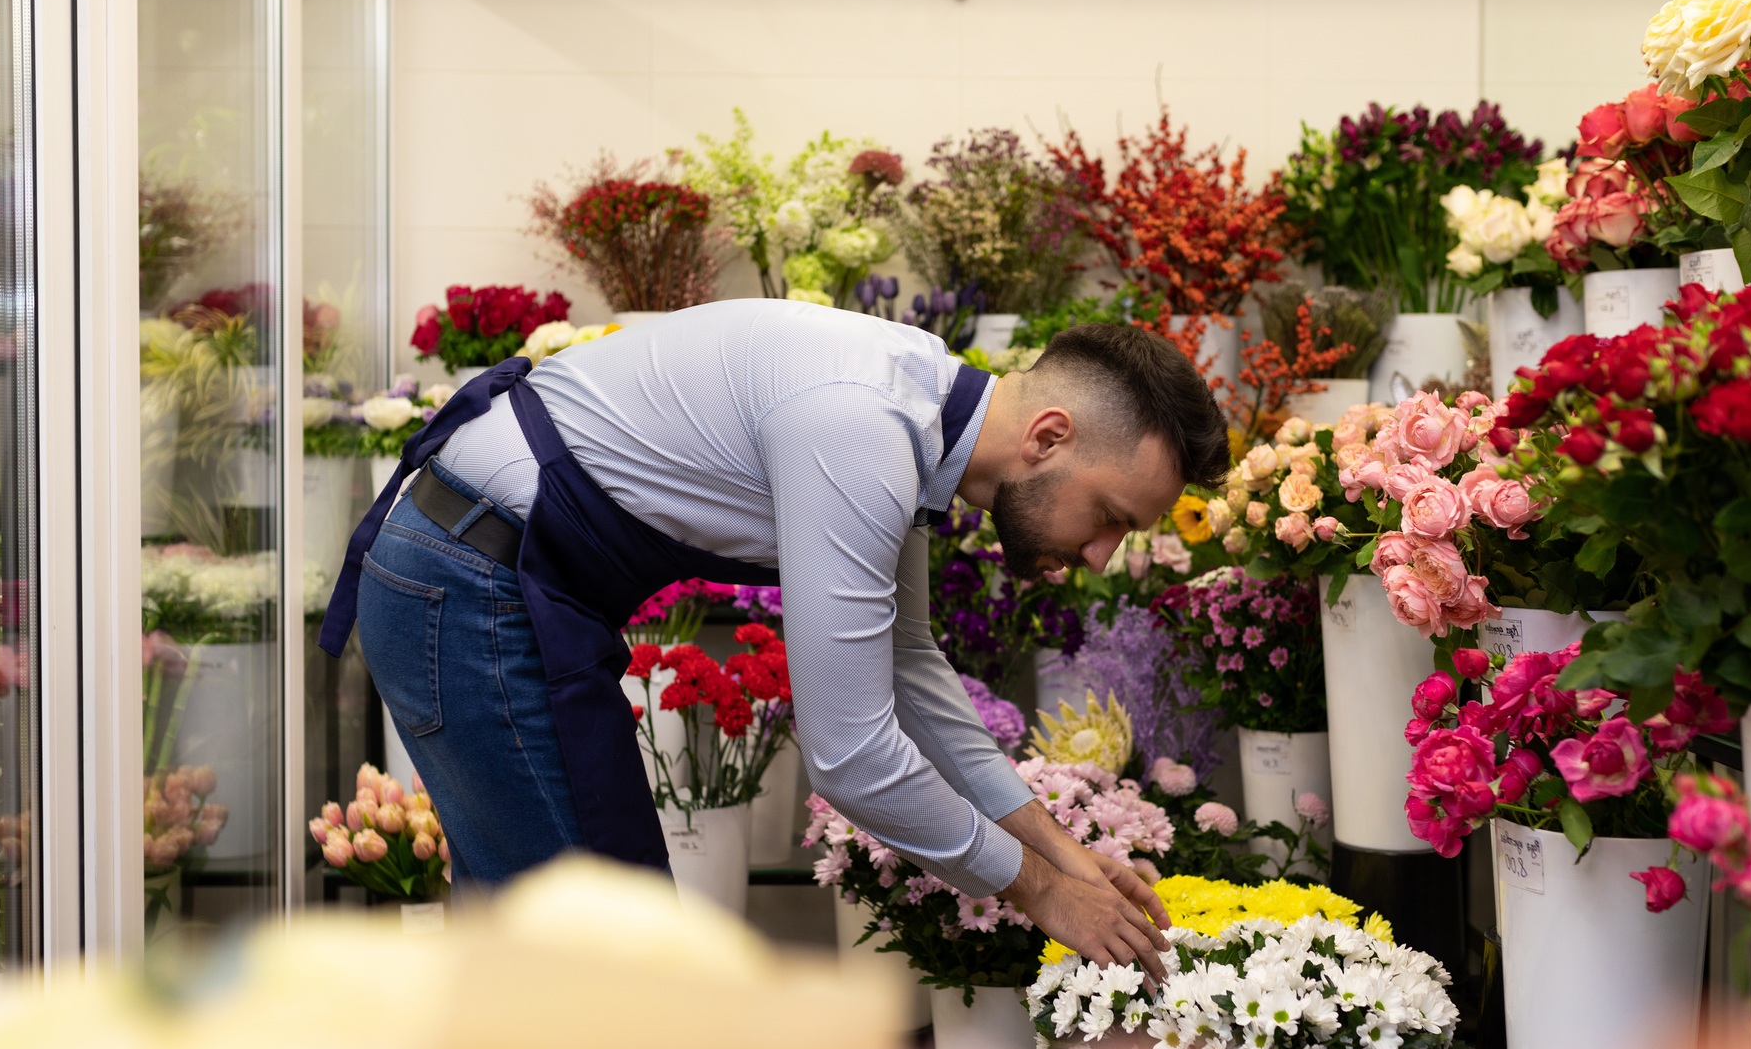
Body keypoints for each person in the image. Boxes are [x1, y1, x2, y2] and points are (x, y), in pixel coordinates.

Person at [320, 300, 1226, 978]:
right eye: (1109, 516)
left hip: (489, 576)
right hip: (466, 581)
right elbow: (852, 755)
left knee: (567, 959)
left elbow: (910, 667)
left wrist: (1063, 849)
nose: (1104, 556)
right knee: (598, 966)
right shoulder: (862, 424)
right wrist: (1037, 889)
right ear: (1050, 436)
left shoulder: (917, 411)